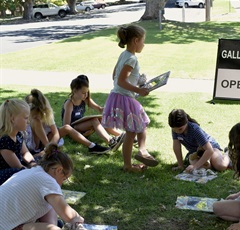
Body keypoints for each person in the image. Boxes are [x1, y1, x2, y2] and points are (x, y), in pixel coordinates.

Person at [0, 143, 84, 230]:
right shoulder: (48, 181)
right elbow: (68, 215)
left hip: (4, 225)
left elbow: (54, 204)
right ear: (58, 170)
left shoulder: (31, 172)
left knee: (51, 206)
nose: (62, 183)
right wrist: (77, 218)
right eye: (64, 179)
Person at [101, 24, 159, 173]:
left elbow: (114, 75)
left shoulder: (124, 55)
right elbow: (120, 80)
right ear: (135, 40)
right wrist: (139, 89)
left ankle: (142, 151)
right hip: (124, 97)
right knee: (132, 130)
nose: (143, 45)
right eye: (143, 41)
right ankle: (129, 163)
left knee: (139, 125)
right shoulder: (132, 59)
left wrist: (137, 80)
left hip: (118, 95)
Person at [26, 88, 112, 155]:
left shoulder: (47, 114)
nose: (38, 117)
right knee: (37, 122)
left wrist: (51, 145)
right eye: (35, 115)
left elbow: (56, 133)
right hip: (34, 144)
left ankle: (92, 146)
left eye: (39, 114)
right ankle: (47, 151)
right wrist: (47, 148)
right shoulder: (28, 117)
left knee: (67, 128)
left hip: (48, 142)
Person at [61, 75, 125, 152]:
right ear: (74, 91)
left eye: (87, 92)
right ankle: (111, 141)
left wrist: (109, 110)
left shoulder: (84, 99)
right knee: (94, 120)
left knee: (100, 119)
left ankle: (121, 135)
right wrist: (82, 135)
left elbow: (99, 109)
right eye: (83, 93)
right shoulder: (69, 103)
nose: (86, 95)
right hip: (73, 129)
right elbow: (66, 126)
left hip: (81, 126)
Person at [0, 99, 37, 185]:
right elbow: (17, 166)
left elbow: (25, 153)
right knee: (19, 172)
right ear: (13, 119)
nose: (28, 121)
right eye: (26, 118)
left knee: (40, 162)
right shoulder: (5, 140)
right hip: (5, 173)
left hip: (18, 167)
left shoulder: (18, 134)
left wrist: (33, 164)